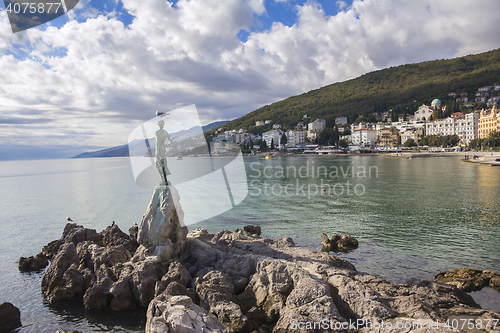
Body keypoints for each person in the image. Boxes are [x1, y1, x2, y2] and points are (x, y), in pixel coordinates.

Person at [155, 119, 174, 185]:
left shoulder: (157, 132)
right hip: (163, 148)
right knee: (163, 163)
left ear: (159, 125)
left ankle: (163, 179)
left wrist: (157, 151)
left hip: (159, 148)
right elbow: (171, 141)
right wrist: (170, 144)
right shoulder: (165, 132)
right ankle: (165, 179)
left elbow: (157, 141)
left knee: (158, 164)